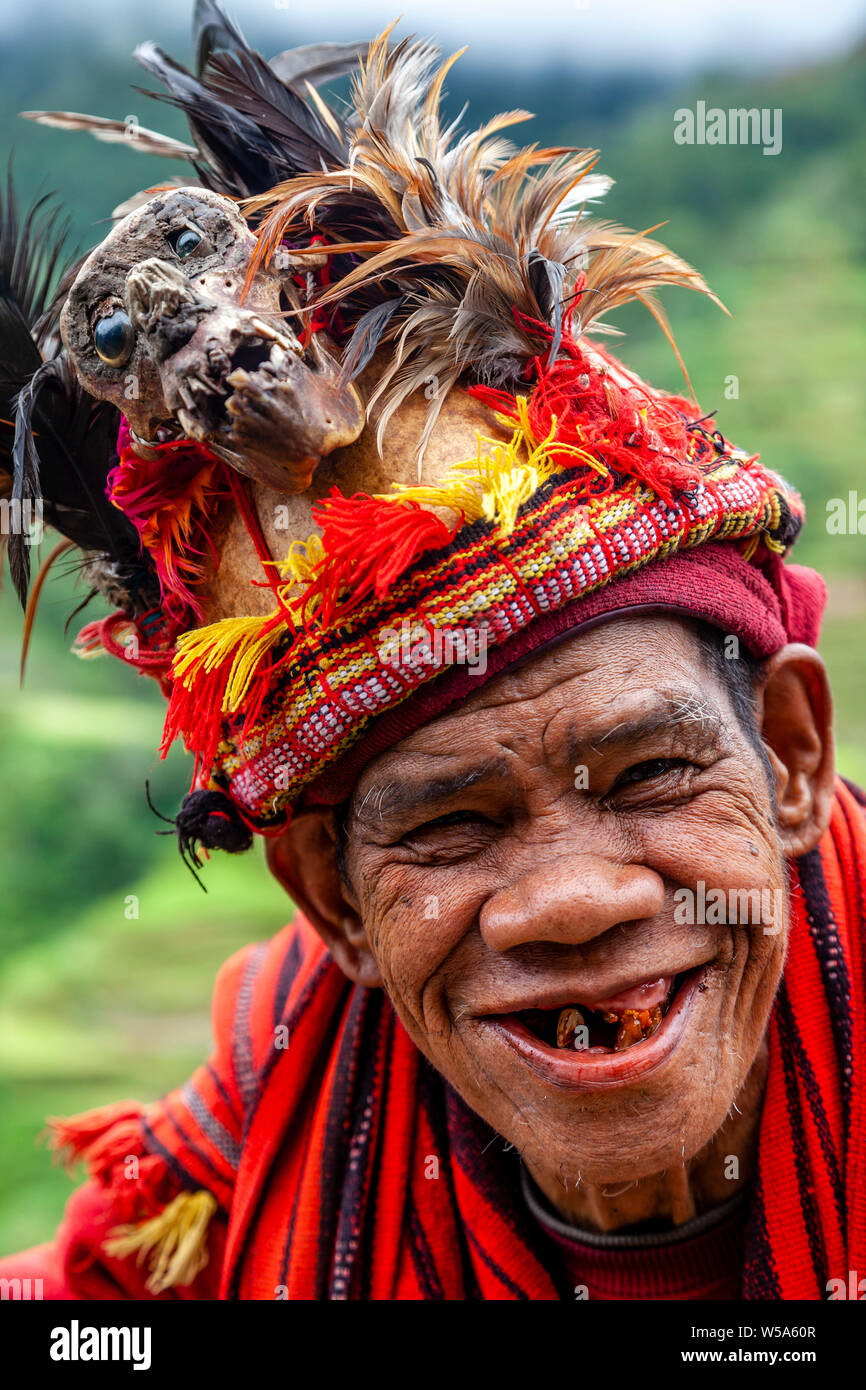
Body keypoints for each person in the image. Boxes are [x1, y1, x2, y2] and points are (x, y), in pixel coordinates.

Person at [0, 10, 862, 1300]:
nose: (572, 903)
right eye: (452, 826)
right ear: (334, 903)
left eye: (646, 778)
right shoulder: (269, 1111)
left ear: (791, 757)